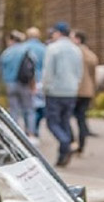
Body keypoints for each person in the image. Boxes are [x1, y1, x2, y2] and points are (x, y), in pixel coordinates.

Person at [42, 22, 83, 168]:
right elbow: (79, 72)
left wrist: (45, 87)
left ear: (58, 33)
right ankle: (62, 156)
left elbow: (48, 71)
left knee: (52, 122)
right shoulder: (76, 49)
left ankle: (66, 143)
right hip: (71, 90)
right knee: (65, 121)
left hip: (55, 91)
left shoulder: (53, 48)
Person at [0, 30, 35, 135]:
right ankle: (31, 133)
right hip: (24, 83)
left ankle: (16, 133)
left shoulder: (6, 53)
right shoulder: (27, 50)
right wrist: (33, 84)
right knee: (29, 109)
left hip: (10, 84)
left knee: (14, 110)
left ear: (11, 40)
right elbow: (32, 68)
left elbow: (2, 70)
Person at [71, 30, 98, 154]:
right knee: (81, 118)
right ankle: (81, 145)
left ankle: (72, 142)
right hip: (87, 90)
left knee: (67, 117)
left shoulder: (74, 52)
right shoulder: (89, 53)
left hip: (75, 90)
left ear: (77, 39)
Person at [25, 27, 47, 136]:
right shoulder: (44, 48)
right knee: (39, 106)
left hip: (26, 80)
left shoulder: (24, 47)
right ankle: (35, 128)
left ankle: (28, 129)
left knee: (28, 106)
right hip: (40, 80)